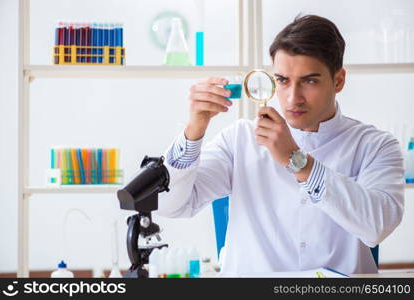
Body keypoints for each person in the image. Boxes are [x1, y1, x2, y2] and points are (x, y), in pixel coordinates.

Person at [156, 15, 405, 275]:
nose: (292, 98)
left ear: (339, 81)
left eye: (309, 81)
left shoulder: (376, 145)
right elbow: (171, 205)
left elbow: (377, 227)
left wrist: (296, 160)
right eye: (283, 81)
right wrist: (194, 129)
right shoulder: (240, 138)